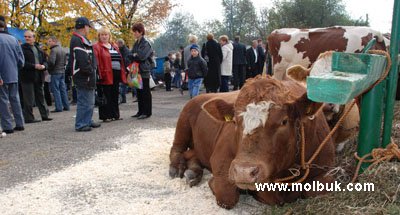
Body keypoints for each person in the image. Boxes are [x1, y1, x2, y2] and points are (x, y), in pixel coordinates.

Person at [66, 16, 100, 132]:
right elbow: (82, 58)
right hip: (83, 75)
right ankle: (81, 123)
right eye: (88, 27)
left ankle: (87, 120)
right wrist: (90, 70)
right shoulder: (77, 40)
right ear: (85, 27)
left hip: (88, 75)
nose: (89, 29)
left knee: (90, 101)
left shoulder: (82, 39)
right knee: (84, 101)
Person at [93, 27, 127, 122]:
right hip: (105, 73)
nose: (104, 36)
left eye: (106, 34)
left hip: (116, 73)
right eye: (102, 34)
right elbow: (97, 62)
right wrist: (99, 74)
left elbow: (120, 59)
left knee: (115, 94)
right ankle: (106, 116)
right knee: (106, 95)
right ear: (99, 36)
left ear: (109, 36)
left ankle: (115, 114)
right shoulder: (97, 46)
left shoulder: (114, 46)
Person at [20, 30, 52, 123]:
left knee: (41, 96)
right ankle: (29, 118)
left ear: (34, 38)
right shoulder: (22, 48)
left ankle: (45, 115)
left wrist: (44, 66)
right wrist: (34, 66)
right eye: (25, 37)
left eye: (29, 37)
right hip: (27, 77)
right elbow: (21, 63)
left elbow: (46, 61)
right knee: (28, 99)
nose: (26, 38)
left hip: (39, 75)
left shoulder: (39, 48)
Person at [0, 20, 24, 134]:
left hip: (2, 75)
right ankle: (20, 123)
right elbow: (21, 60)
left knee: (3, 100)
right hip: (13, 73)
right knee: (15, 98)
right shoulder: (14, 39)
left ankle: (7, 126)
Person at [129, 22, 154, 120]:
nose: (134, 33)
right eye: (134, 31)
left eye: (136, 31)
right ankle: (140, 111)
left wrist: (135, 55)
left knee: (145, 91)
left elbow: (142, 56)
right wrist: (135, 55)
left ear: (141, 32)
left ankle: (147, 112)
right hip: (136, 70)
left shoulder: (146, 43)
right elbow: (131, 55)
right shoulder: (136, 43)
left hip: (144, 70)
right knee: (139, 91)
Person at [47, 36, 69, 112]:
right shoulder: (62, 50)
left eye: (50, 41)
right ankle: (66, 105)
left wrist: (49, 68)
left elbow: (52, 62)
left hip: (55, 72)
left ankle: (58, 107)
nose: (48, 43)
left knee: (56, 90)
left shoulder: (53, 50)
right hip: (62, 71)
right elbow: (65, 61)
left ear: (54, 41)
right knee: (63, 89)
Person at [117, 38, 130, 104]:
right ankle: (123, 98)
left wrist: (125, 69)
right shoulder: (124, 50)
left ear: (121, 43)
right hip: (126, 69)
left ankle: (123, 98)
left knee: (124, 84)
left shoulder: (124, 51)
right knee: (125, 84)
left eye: (118, 44)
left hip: (125, 69)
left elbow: (126, 60)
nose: (117, 45)